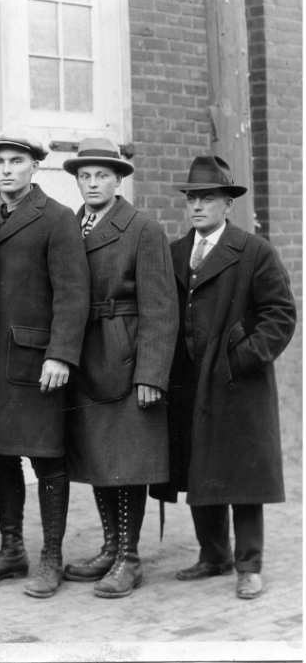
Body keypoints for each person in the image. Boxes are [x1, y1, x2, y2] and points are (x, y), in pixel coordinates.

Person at [151, 155, 296, 600]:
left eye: (208, 198)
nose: (197, 206)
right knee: (200, 469)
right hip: (188, 381)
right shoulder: (176, 253)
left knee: (242, 474)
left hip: (236, 382)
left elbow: (280, 315)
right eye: (192, 198)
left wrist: (242, 359)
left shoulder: (254, 251)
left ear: (227, 204)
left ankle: (248, 565)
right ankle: (213, 555)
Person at [0, 131, 89, 599]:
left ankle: (51, 557)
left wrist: (60, 353)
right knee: (1, 457)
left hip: (36, 360)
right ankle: (10, 548)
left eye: (15, 161)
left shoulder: (57, 219)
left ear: (33, 168)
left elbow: (72, 292)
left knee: (46, 460)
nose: (6, 169)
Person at [61, 138, 178, 598]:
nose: (93, 183)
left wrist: (151, 373)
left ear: (118, 179)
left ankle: (129, 558)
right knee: (97, 457)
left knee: (127, 461)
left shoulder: (142, 228)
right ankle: (111, 548)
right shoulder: (72, 226)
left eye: (102, 175)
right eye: (85, 176)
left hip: (125, 356)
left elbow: (162, 308)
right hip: (85, 353)